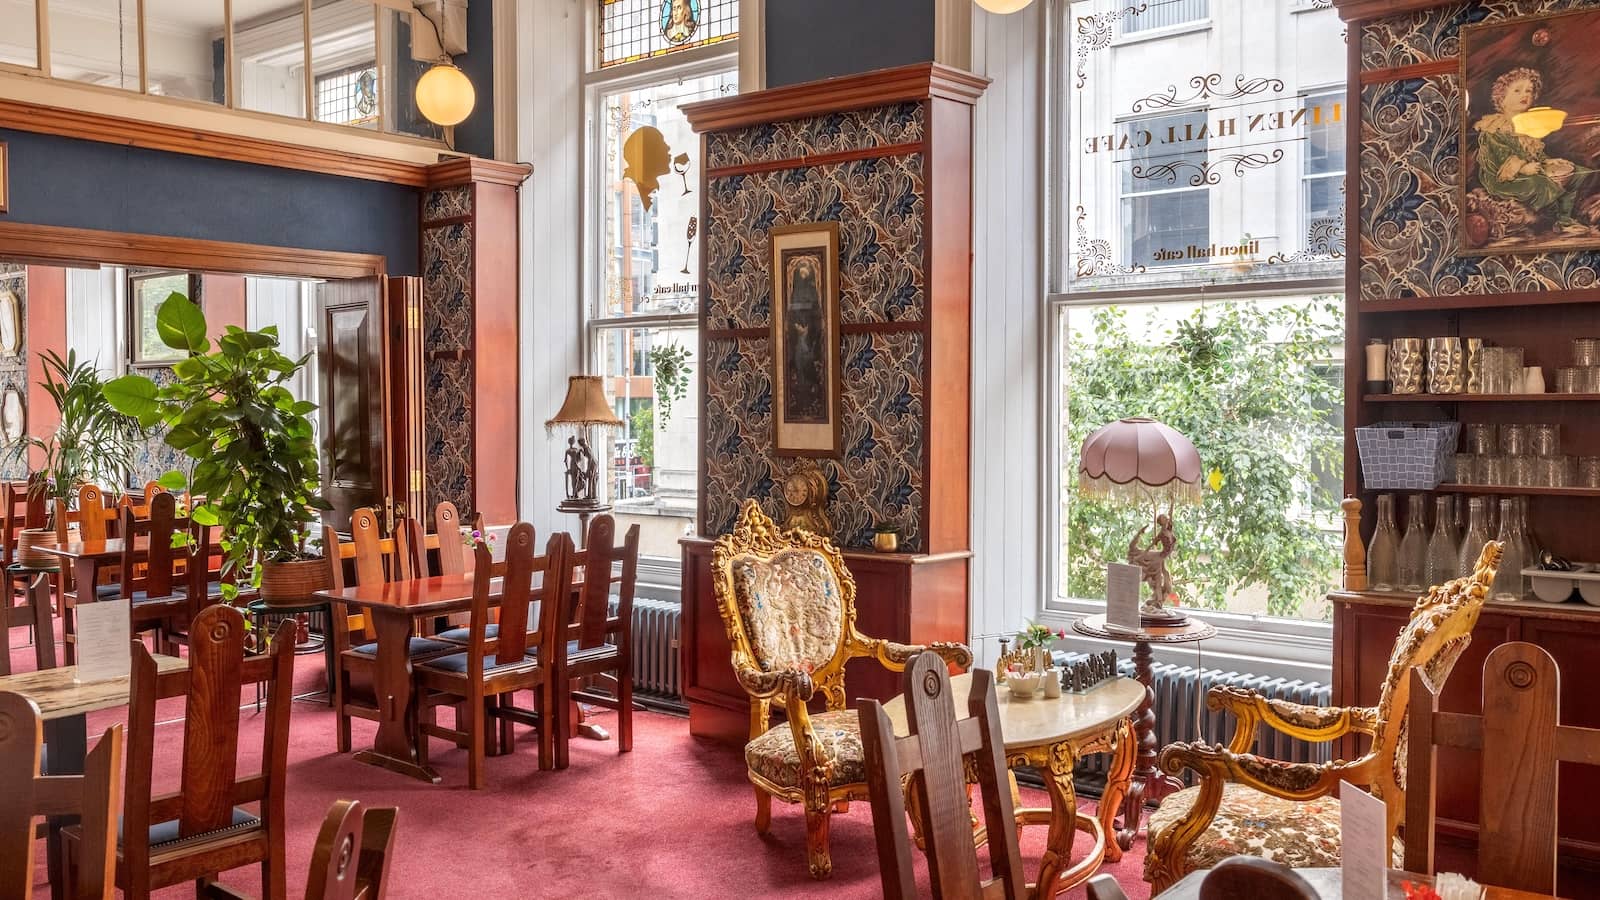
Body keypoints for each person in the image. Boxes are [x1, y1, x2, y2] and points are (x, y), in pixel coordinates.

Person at [1473, 66, 1588, 233]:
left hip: (1530, 170)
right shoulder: (1493, 127)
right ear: (1501, 98)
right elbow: (1497, 161)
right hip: (1502, 178)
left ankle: (1565, 218)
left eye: (1529, 91)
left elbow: (1534, 153)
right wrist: (1522, 168)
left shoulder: (1527, 127)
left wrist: (1548, 161)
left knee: (1577, 173)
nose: (1525, 95)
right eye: (1517, 91)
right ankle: (1557, 221)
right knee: (1541, 183)